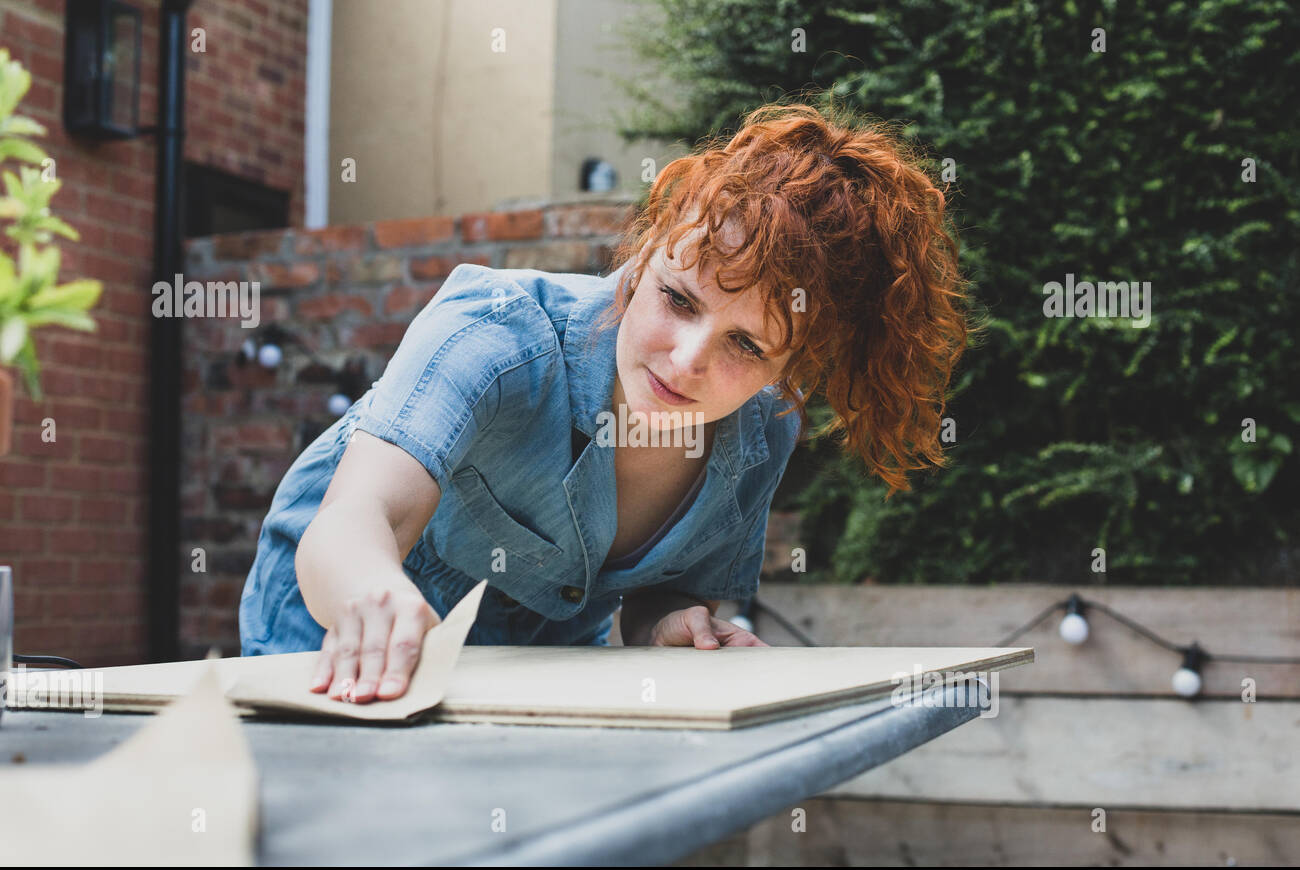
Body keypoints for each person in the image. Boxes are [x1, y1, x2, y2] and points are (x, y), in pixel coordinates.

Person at [237, 100, 971, 704]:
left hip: (544, 668)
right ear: (645, 251)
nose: (686, 362)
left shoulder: (762, 433)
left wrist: (674, 624)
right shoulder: (492, 330)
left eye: (747, 347)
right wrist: (369, 588)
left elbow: (664, 593)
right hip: (336, 628)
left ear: (794, 366)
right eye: (677, 299)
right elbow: (357, 518)